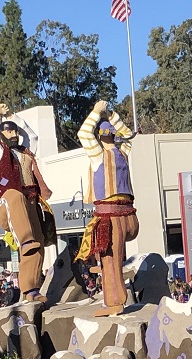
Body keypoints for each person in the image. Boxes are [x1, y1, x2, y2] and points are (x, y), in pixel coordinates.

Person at [0, 103, 55, 302]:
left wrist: (13, 116)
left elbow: (33, 136)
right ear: (1, 134)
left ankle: (31, 290)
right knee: (14, 195)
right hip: (5, 205)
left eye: (14, 130)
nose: (13, 134)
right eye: (8, 130)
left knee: (37, 245)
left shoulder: (26, 153)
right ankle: (25, 239)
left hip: (29, 204)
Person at [75, 100, 138, 317]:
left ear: (101, 137)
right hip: (129, 217)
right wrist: (111, 115)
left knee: (110, 262)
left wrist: (96, 112)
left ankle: (114, 302)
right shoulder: (123, 152)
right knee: (113, 261)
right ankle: (115, 300)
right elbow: (128, 133)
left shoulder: (98, 154)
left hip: (110, 217)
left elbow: (83, 133)